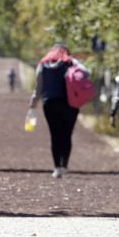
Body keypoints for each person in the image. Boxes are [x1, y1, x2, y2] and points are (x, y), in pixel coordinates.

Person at [28, 43, 89, 179]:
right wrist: (74, 60)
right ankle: (65, 165)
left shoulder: (43, 64)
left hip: (50, 103)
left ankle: (57, 168)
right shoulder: (71, 63)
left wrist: (33, 104)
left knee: (55, 135)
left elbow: (39, 87)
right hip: (70, 103)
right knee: (67, 134)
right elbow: (85, 72)